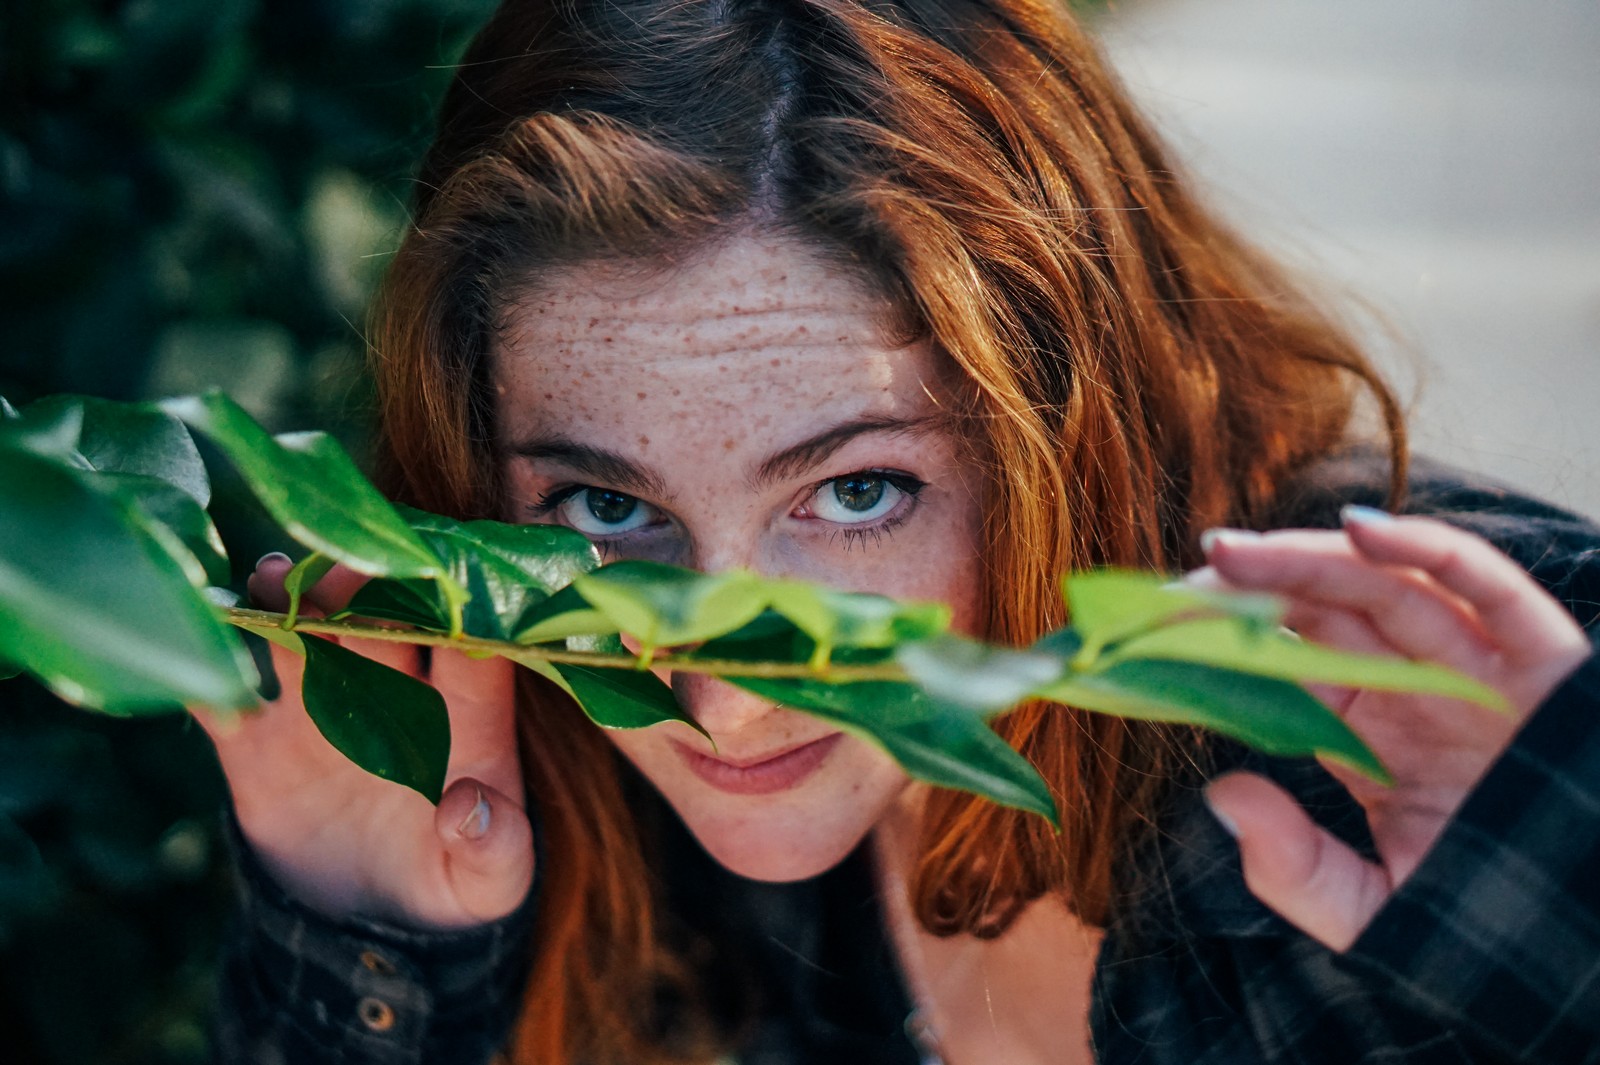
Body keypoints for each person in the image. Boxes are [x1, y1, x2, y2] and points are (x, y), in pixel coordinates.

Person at [200, 0, 1600, 1062]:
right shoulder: (573, 798)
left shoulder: (1456, 714)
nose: (727, 700)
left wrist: (1560, 899)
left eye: (857, 491)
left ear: (1064, 425)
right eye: (608, 507)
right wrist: (372, 942)